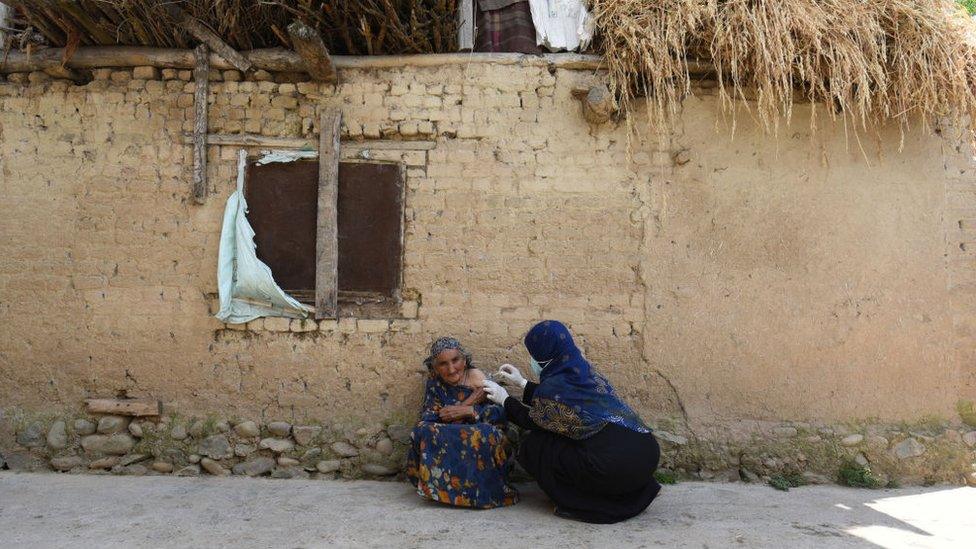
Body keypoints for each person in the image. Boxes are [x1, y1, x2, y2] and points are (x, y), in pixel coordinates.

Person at [482, 320, 661, 523]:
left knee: (537, 446)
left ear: (545, 356)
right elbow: (561, 402)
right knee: (580, 444)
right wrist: (522, 384)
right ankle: (635, 495)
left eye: (534, 355)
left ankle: (580, 504)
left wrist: (504, 399)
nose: (532, 359)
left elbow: (533, 419)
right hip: (646, 455)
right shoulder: (584, 372)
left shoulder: (554, 389)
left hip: (615, 466)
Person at [405, 337, 519, 509]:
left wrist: (473, 412)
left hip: (480, 430)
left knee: (485, 433)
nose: (451, 369)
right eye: (443, 364)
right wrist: (469, 402)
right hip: (450, 430)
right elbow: (429, 416)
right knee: (422, 429)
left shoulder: (480, 379)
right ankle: (442, 491)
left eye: (455, 360)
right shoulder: (435, 384)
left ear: (464, 360)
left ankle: (484, 493)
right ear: (435, 368)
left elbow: (501, 415)